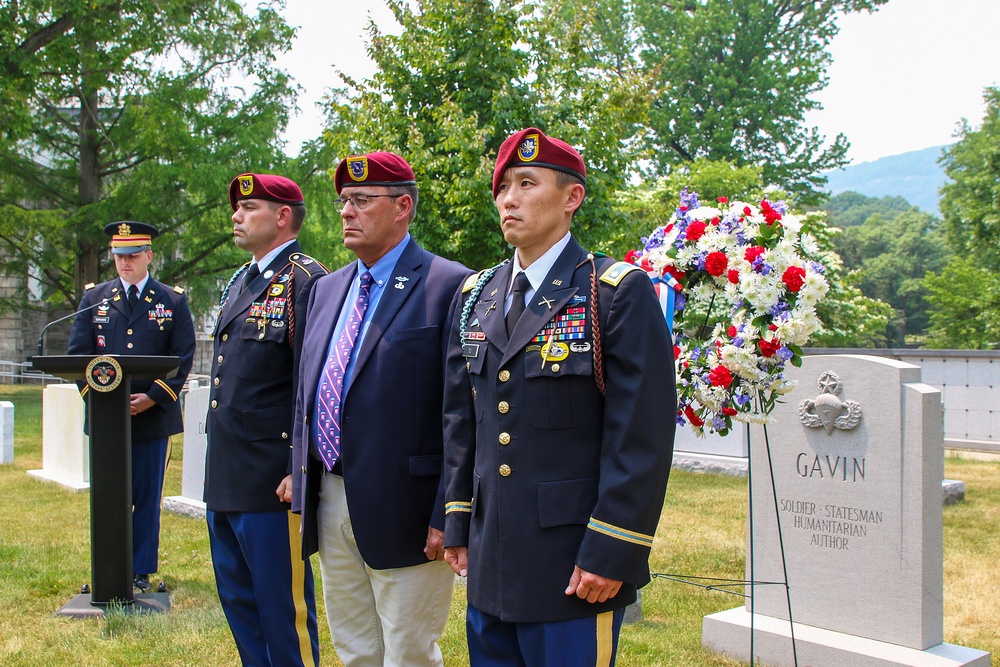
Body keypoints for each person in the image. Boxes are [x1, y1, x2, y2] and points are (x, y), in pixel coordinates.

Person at [442, 128, 676, 666]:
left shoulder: (614, 292)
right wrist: (458, 520)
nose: (509, 199)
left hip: (574, 564)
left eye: (527, 183)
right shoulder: (477, 295)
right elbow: (462, 420)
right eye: (503, 188)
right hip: (492, 555)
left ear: (572, 198)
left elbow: (640, 439)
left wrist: (612, 550)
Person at [291, 151, 471, 667]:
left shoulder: (447, 285)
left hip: (409, 507)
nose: (347, 211)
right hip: (331, 495)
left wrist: (448, 511)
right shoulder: (326, 290)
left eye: (362, 200)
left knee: (408, 651)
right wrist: (298, 473)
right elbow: (308, 391)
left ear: (402, 208)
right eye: (345, 200)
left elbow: (461, 413)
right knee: (354, 647)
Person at [204, 173, 328, 667]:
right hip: (229, 474)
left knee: (283, 611)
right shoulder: (243, 280)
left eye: (248, 207)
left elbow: (317, 383)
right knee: (239, 602)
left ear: (282, 217)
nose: (236, 215)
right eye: (236, 207)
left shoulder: (305, 279)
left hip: (273, 482)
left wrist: (300, 467)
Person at [67, 221, 195, 593]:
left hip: (151, 419)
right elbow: (79, 356)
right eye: (119, 256)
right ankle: (108, 566)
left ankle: (139, 570)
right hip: (108, 421)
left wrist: (152, 397)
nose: (125, 263)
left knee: (145, 498)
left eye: (133, 255)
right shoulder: (95, 299)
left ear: (149, 256)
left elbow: (182, 357)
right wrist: (103, 400)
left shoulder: (171, 300)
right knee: (109, 496)